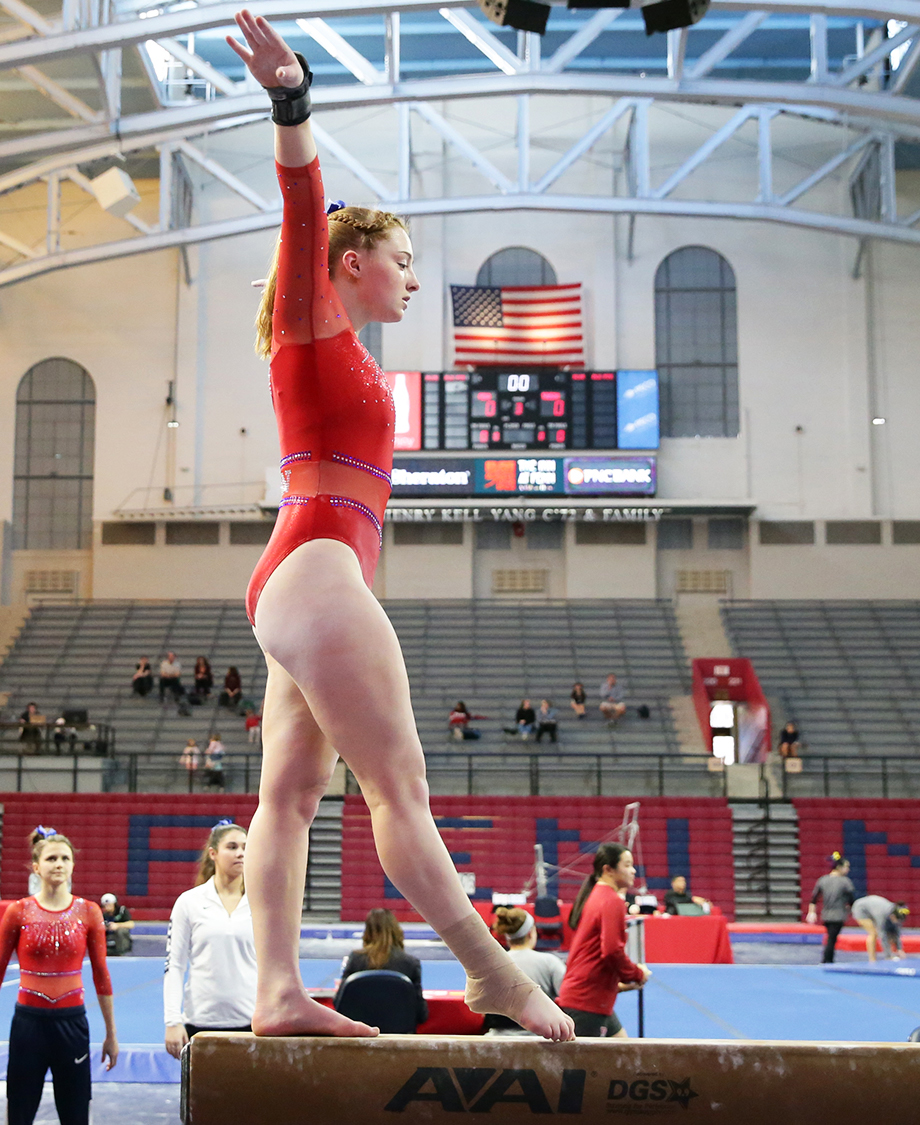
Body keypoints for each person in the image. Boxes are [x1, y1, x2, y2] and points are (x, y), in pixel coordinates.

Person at [226, 8, 569, 1045]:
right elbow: (302, 201)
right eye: (402, 258)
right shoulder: (309, 322)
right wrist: (292, 102)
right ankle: (495, 976)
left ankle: (278, 993)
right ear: (348, 263)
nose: (415, 279)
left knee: (287, 800)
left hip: (304, 573)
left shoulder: (350, 359)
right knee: (398, 792)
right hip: (321, 567)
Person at [0, 830, 118, 1125]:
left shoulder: (88, 912)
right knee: (20, 1112)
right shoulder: (18, 911)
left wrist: (111, 1034)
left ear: (73, 865)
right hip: (29, 1024)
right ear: (36, 867)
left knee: (75, 1114)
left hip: (72, 1024)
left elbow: (101, 974)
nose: (59, 864)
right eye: (51, 858)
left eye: (65, 858)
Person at [165, 821, 256, 1057]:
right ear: (213, 853)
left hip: (252, 1021)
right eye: (232, 846)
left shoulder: (260, 902)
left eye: (245, 847)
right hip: (201, 1021)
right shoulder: (190, 902)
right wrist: (172, 1020)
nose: (240, 853)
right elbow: (174, 965)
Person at [559, 843, 648, 1038]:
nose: (633, 871)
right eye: (627, 865)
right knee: (589, 1067)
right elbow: (611, 950)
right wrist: (636, 973)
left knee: (626, 1055)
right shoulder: (611, 900)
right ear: (608, 869)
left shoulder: (597, 895)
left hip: (595, 997)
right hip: (586, 1001)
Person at [484, 906, 562, 1034]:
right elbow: (566, 997)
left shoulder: (493, 963)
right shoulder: (549, 962)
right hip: (539, 1038)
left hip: (497, 1037)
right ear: (531, 933)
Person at [806, 853, 855, 963]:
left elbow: (814, 898)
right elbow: (851, 899)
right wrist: (852, 910)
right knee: (832, 939)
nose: (848, 869)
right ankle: (827, 960)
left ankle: (828, 959)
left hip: (826, 915)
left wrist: (811, 912)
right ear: (839, 867)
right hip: (838, 915)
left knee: (831, 937)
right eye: (846, 867)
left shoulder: (822, 880)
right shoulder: (845, 882)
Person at [850, 894, 907, 962]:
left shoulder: (896, 911)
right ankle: (872, 959)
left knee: (890, 933)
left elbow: (896, 932)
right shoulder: (881, 916)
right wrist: (888, 956)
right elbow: (883, 936)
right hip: (860, 908)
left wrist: (899, 949)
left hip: (872, 907)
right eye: (896, 920)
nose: (897, 923)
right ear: (892, 916)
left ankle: (885, 955)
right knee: (873, 933)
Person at [101, 892, 135, 957]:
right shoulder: (103, 915)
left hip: (120, 937)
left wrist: (117, 925)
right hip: (109, 936)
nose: (107, 907)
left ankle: (121, 951)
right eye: (105, 905)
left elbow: (131, 924)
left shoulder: (122, 911)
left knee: (121, 931)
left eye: (109, 905)